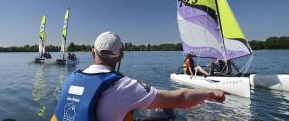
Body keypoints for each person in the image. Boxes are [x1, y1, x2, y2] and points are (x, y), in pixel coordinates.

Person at [51, 31, 225, 121]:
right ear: (120, 56)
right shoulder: (123, 87)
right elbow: (180, 98)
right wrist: (210, 92)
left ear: (92, 53)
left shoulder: (71, 78)